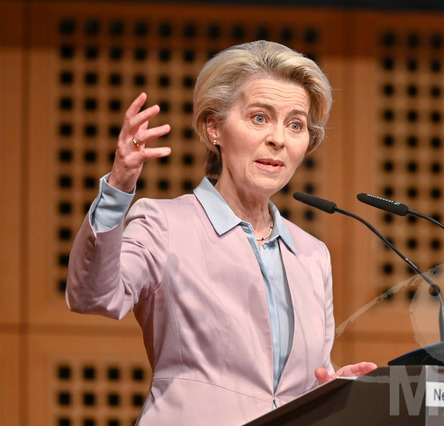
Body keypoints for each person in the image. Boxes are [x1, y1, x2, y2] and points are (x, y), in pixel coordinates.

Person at [66, 40, 376, 425]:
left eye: (295, 125)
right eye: (259, 118)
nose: (278, 139)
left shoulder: (312, 254)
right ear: (214, 127)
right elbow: (92, 296)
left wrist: (332, 389)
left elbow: (303, 378)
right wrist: (118, 187)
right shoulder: (165, 225)